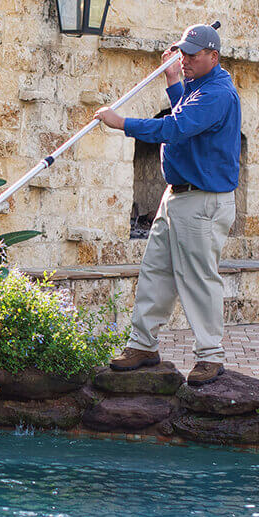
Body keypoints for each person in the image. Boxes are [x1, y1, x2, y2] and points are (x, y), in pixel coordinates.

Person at [93, 22, 241, 385]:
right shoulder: (198, 87)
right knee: (155, 271)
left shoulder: (218, 94)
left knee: (198, 278)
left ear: (213, 56)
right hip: (176, 196)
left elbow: (175, 128)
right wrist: (175, 81)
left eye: (191, 55)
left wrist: (122, 122)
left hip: (202, 200)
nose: (184, 59)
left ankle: (210, 356)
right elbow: (186, 118)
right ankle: (143, 345)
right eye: (181, 52)